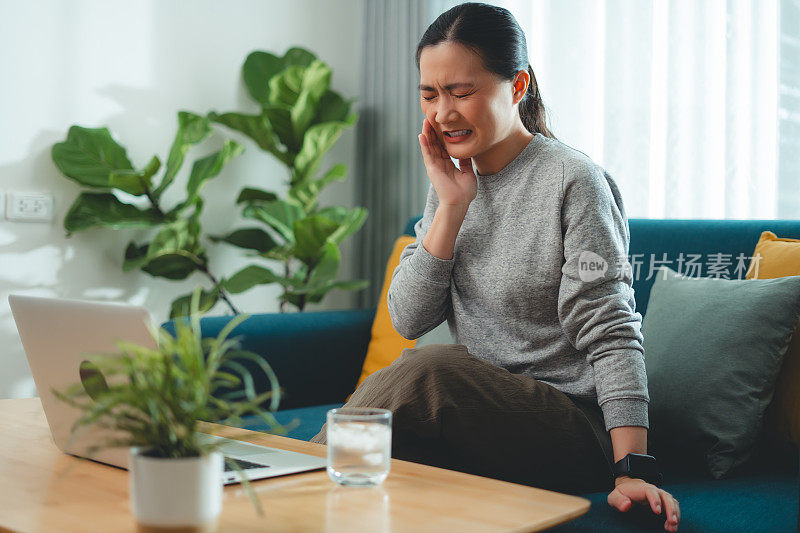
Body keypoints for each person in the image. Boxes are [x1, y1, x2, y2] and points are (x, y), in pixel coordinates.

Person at [311, 2, 680, 531]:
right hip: (481, 423)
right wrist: (452, 206)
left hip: (572, 428)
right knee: (387, 473)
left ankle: (292, 479)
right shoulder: (451, 183)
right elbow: (408, 318)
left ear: (517, 86)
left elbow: (611, 328)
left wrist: (633, 469)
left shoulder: (573, 182)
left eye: (462, 92)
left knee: (428, 369)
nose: (443, 113)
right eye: (429, 94)